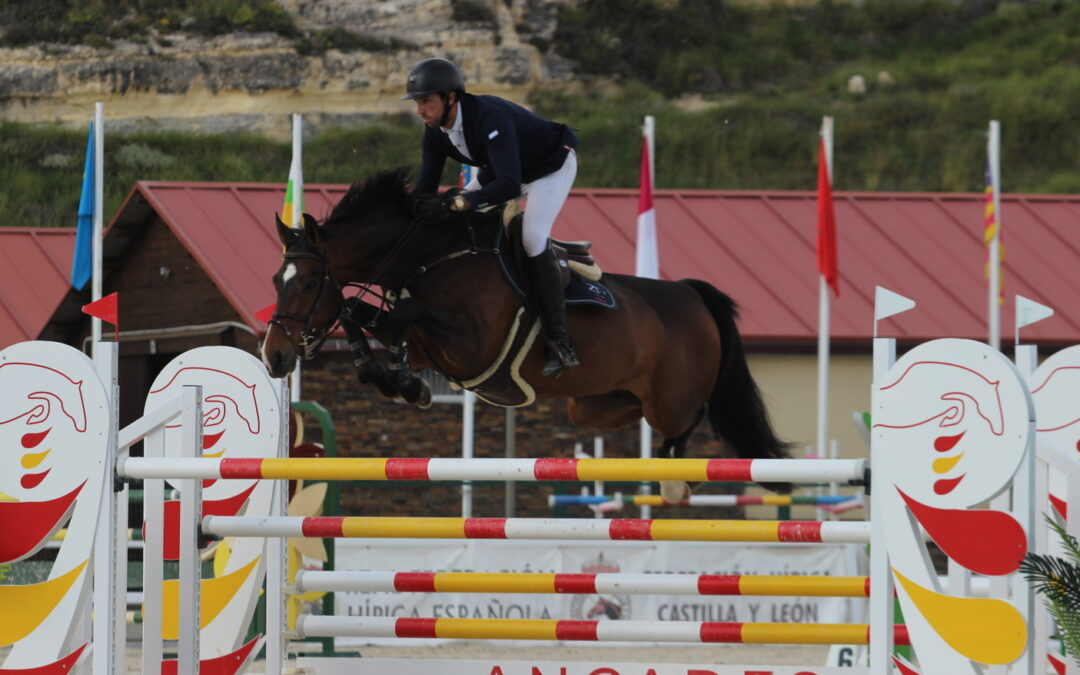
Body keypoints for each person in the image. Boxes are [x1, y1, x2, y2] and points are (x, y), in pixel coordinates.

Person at [404, 57, 580, 378]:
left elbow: (510, 185)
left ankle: (560, 342)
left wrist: (461, 203)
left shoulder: (489, 116)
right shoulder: (435, 133)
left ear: (451, 97)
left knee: (532, 238)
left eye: (426, 101)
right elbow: (425, 191)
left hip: (548, 168)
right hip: (502, 170)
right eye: (418, 102)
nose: (420, 111)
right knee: (457, 218)